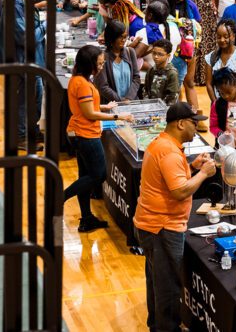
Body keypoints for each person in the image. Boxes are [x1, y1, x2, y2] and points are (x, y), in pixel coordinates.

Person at [134, 102, 215, 332]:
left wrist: (191, 166)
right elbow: (179, 191)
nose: (196, 128)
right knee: (168, 287)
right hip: (162, 228)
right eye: (193, 123)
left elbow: (169, 177)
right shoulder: (169, 151)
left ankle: (156, 325)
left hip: (151, 225)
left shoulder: (163, 144)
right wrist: (203, 174)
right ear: (180, 123)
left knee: (156, 282)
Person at [66, 45, 134, 232]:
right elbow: (89, 114)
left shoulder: (77, 80)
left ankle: (86, 218)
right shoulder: (83, 84)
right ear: (90, 64)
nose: (102, 66)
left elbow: (86, 106)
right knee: (99, 174)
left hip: (79, 132)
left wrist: (105, 107)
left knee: (84, 176)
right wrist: (118, 116)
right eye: (100, 63)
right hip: (86, 134)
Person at [203, 19, 236, 103]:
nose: (222, 40)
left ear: (233, 36)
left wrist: (230, 102)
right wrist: (216, 104)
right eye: (219, 37)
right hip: (218, 104)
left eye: (226, 36)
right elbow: (209, 84)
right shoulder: (211, 57)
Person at [94, 20, 141, 102]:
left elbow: (136, 78)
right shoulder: (102, 57)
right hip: (112, 105)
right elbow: (103, 86)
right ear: (112, 38)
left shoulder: (130, 52)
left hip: (131, 102)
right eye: (120, 37)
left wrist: (128, 98)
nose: (124, 40)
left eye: (125, 37)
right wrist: (121, 101)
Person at [141, 39, 180, 106]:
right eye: (154, 53)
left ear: (168, 56)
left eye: (160, 54)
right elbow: (146, 90)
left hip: (165, 110)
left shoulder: (172, 73)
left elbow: (172, 97)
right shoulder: (151, 70)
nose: (156, 57)